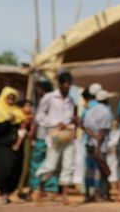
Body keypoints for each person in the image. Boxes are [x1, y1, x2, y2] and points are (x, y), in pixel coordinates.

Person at [34, 71, 78, 205]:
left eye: (69, 84)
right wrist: (53, 123)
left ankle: (65, 196)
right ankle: (39, 189)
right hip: (55, 136)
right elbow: (39, 116)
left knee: (68, 164)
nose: (67, 86)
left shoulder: (71, 100)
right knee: (51, 164)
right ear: (59, 84)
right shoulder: (49, 97)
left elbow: (71, 117)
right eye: (65, 83)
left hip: (68, 135)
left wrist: (73, 122)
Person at [0, 87, 25, 205]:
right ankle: (3, 193)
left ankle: (9, 192)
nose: (10, 99)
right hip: (3, 146)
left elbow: (23, 125)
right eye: (8, 97)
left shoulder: (17, 110)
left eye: (13, 97)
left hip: (17, 146)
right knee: (5, 169)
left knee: (16, 170)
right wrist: (8, 121)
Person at [28, 79, 60, 197]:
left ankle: (39, 187)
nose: (37, 91)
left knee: (39, 162)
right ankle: (49, 188)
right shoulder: (55, 100)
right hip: (51, 136)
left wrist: (32, 131)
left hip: (44, 136)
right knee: (50, 161)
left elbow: (37, 120)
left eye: (39, 89)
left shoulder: (46, 100)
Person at [82, 89, 114, 202]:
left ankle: (87, 194)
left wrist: (93, 137)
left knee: (89, 169)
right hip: (100, 146)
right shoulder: (106, 112)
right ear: (106, 100)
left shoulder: (90, 110)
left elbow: (86, 127)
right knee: (99, 170)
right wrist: (98, 148)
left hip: (90, 143)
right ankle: (97, 194)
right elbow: (102, 131)